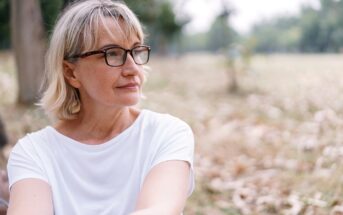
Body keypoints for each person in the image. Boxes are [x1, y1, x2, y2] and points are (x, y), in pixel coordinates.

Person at [6, 0, 195, 214]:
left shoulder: (167, 134)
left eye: (136, 51)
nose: (133, 68)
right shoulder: (34, 152)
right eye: (112, 53)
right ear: (71, 72)